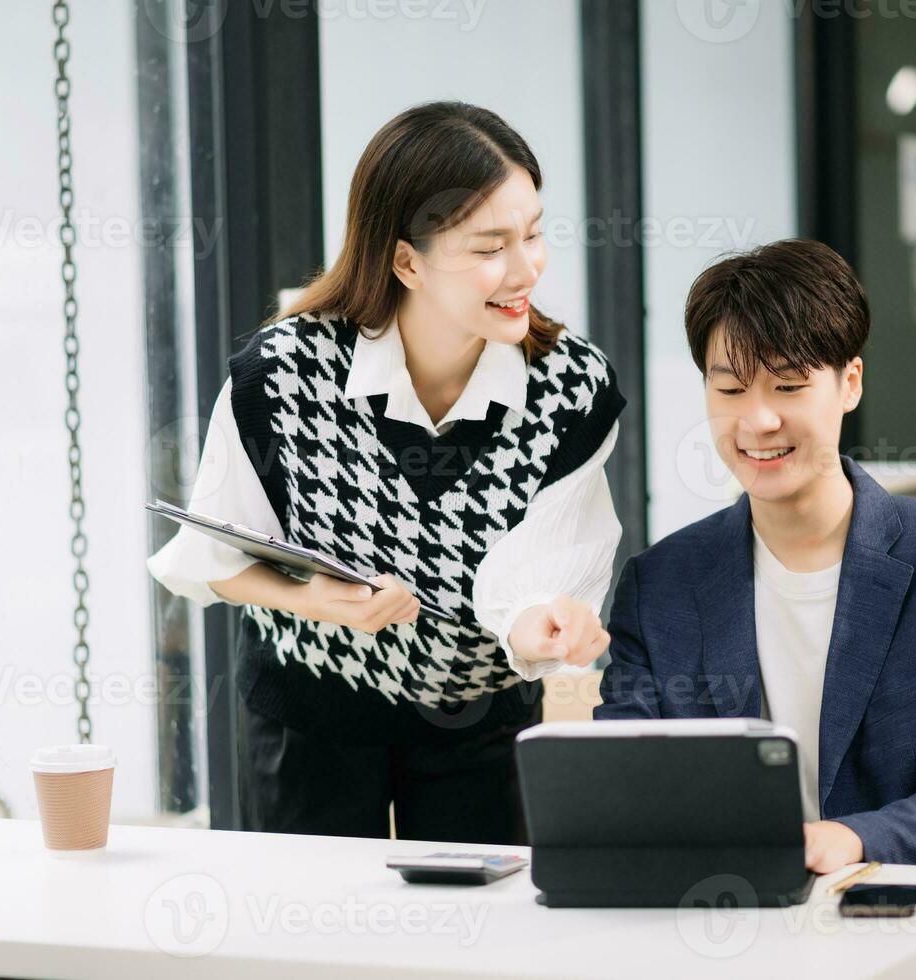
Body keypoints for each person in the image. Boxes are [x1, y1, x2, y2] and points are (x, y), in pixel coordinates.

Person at [148, 102, 625, 845]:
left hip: (478, 723)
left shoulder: (572, 387)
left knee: (475, 950)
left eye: (533, 234)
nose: (526, 268)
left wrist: (541, 624)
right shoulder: (284, 374)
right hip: (313, 721)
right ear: (407, 260)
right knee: (314, 947)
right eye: (490, 246)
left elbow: (541, 566)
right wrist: (317, 603)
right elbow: (210, 563)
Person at [595, 239, 916, 980]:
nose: (758, 421)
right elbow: (628, 781)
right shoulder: (659, 583)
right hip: (726, 946)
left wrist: (850, 840)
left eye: (790, 386)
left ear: (850, 383)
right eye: (729, 389)